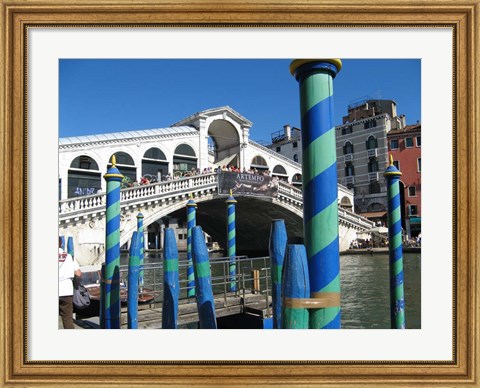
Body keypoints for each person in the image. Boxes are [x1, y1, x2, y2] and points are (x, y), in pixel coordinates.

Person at [58, 237, 81, 329]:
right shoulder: (69, 257)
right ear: (61, 244)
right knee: (67, 318)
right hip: (66, 291)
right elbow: (78, 273)